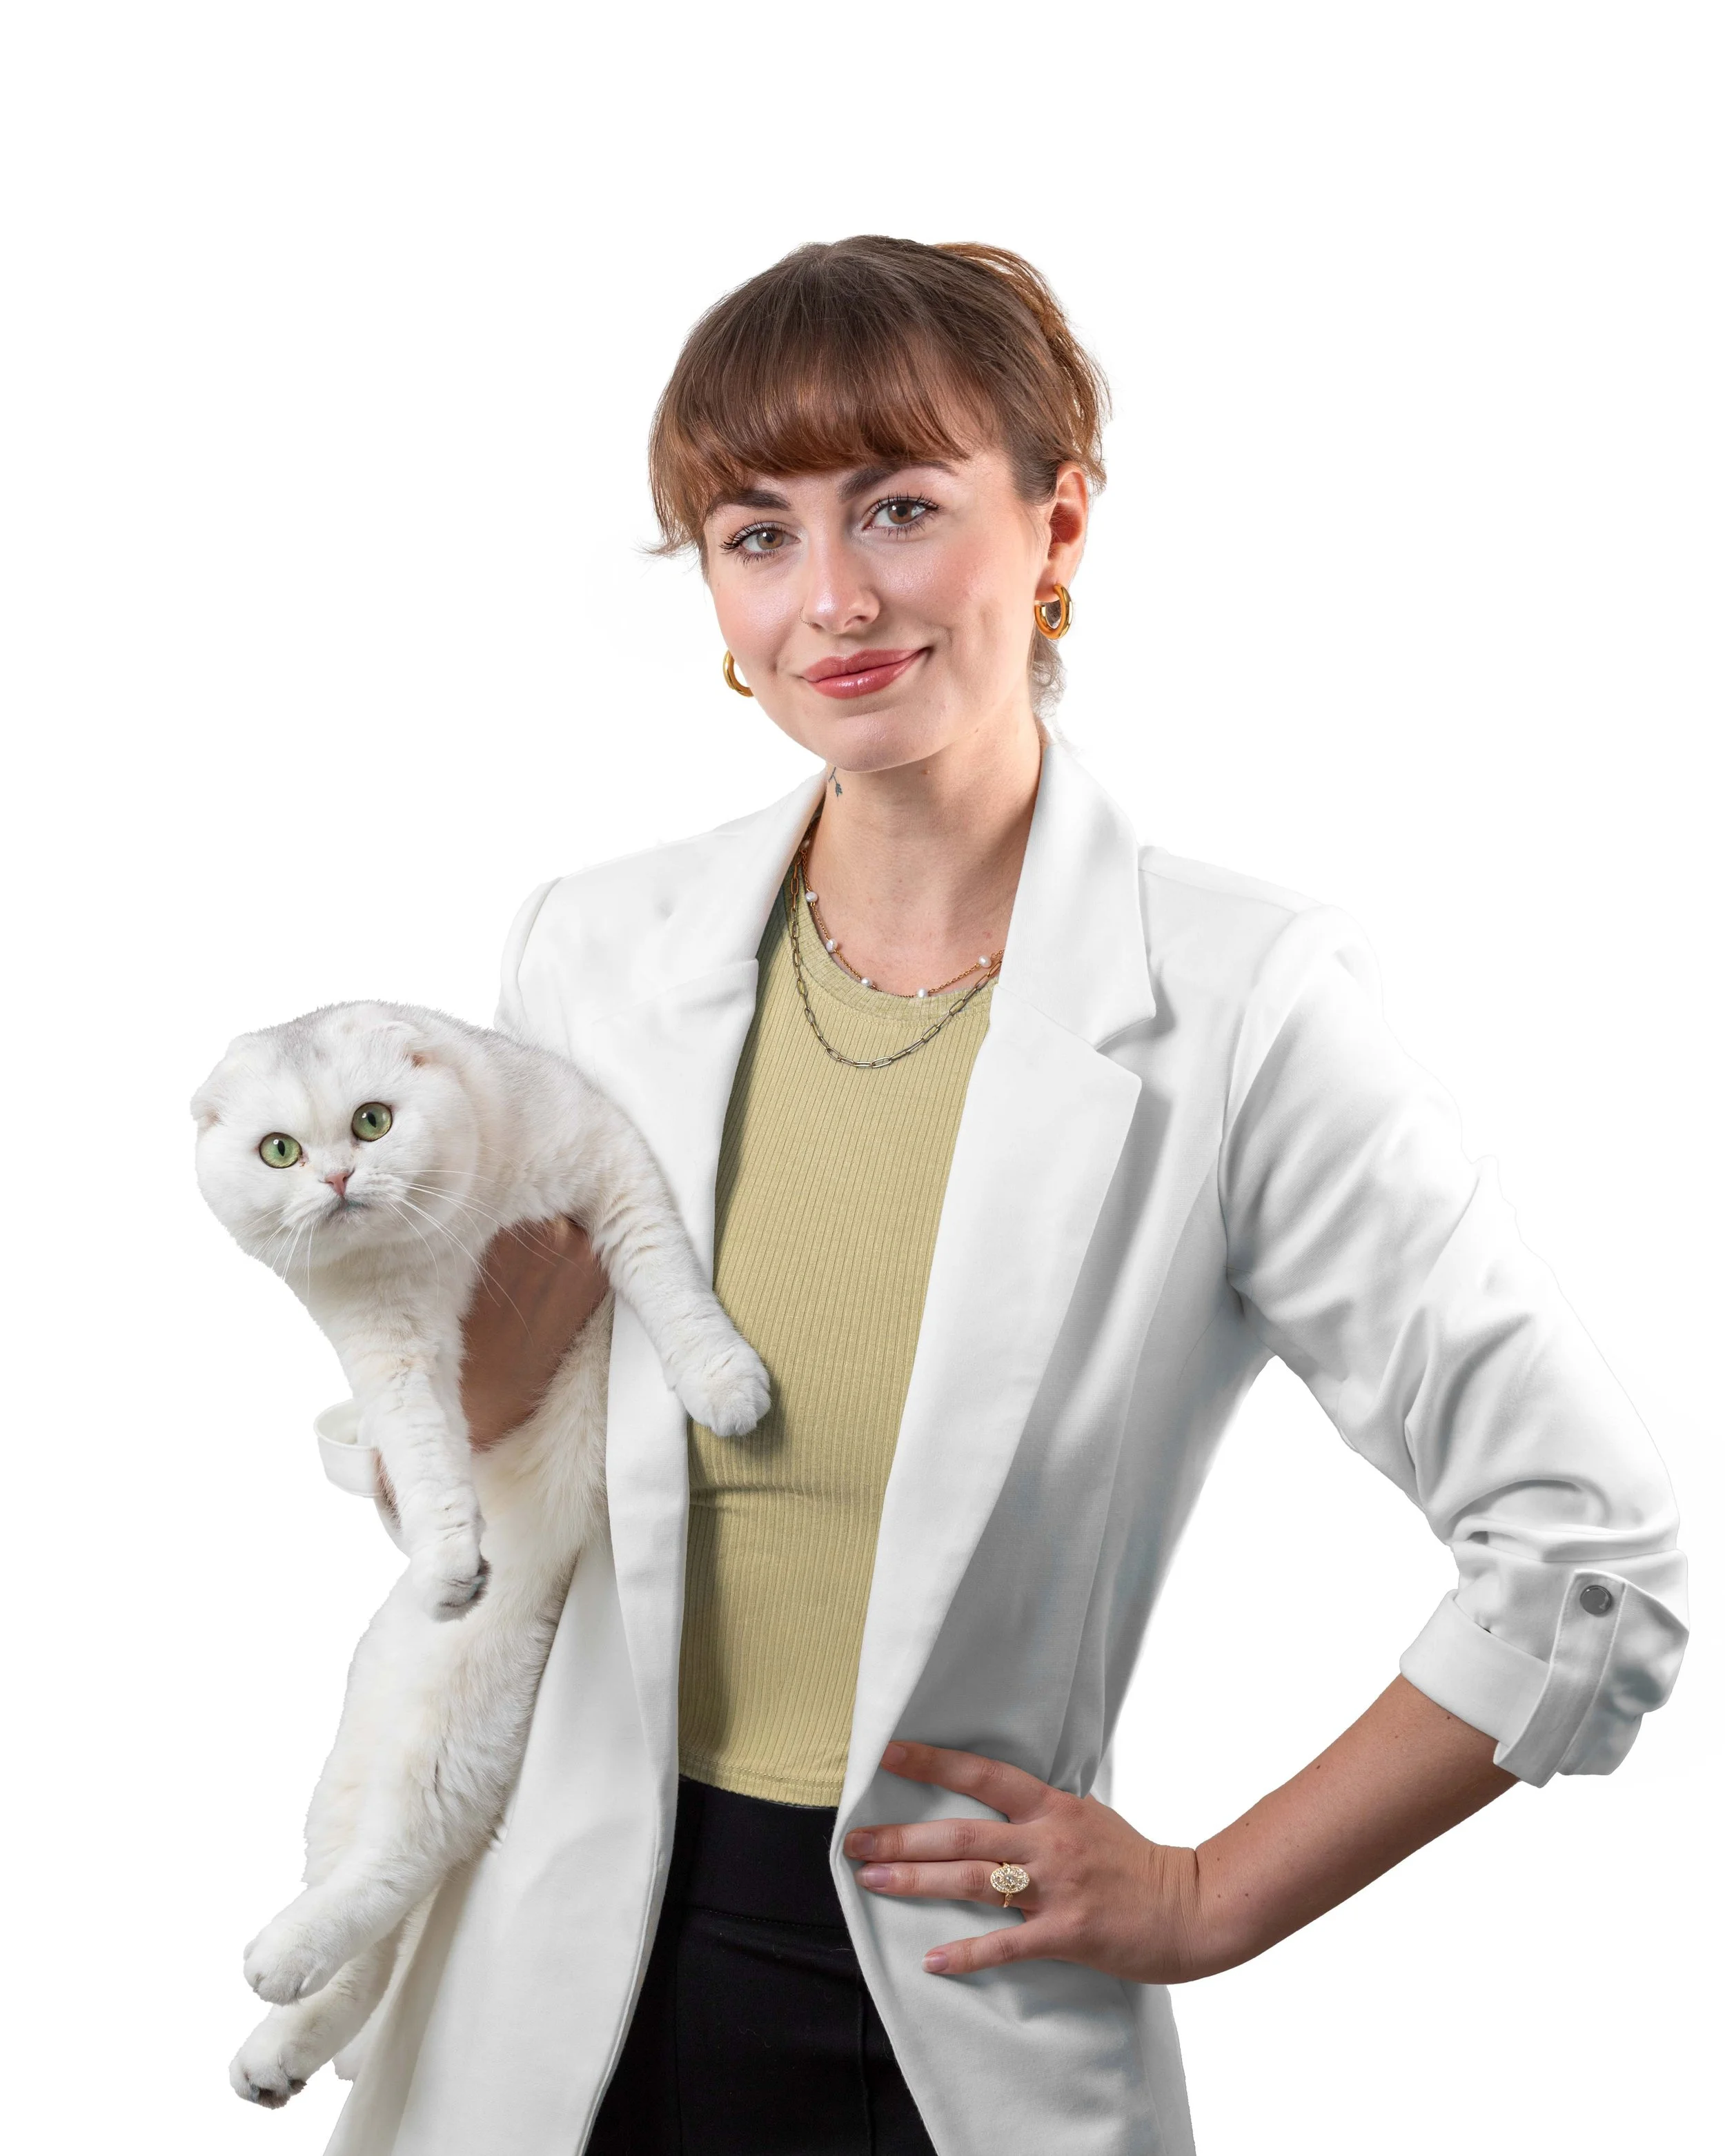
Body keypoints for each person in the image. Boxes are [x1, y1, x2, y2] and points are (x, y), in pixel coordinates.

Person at [322, 237, 1688, 2156]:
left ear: (1055, 525)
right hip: (549, 1994)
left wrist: (1210, 1895)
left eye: (900, 508)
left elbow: (1587, 1556)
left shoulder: (1239, 1009)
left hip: (950, 2020)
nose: (835, 599)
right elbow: (487, 1525)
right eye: (756, 531)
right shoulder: (595, 955)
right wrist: (466, 1400)